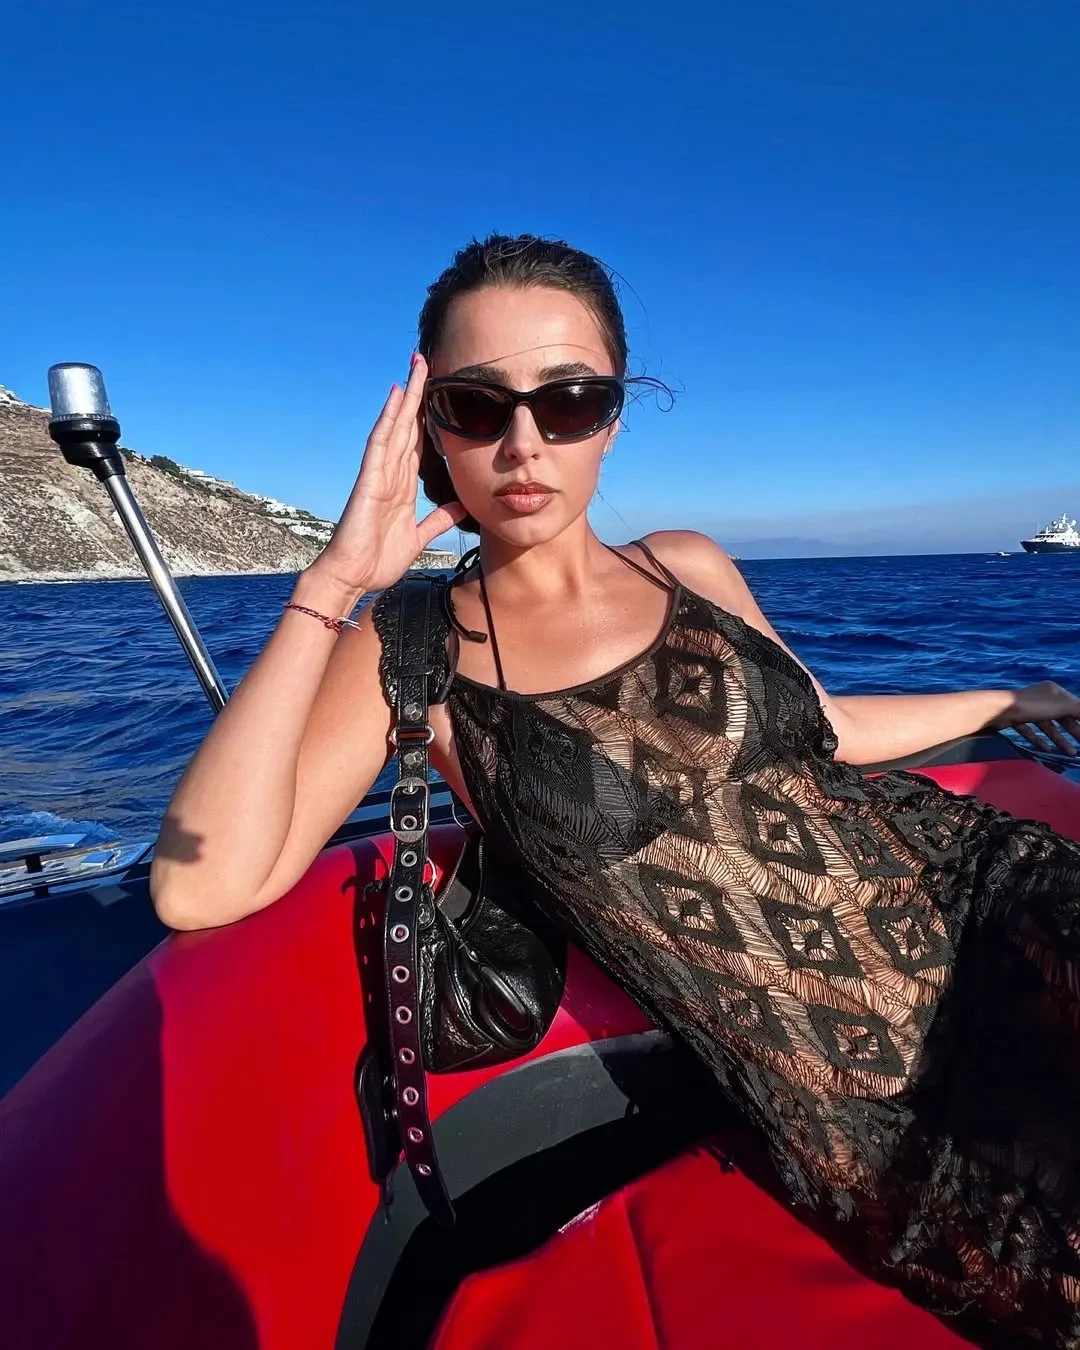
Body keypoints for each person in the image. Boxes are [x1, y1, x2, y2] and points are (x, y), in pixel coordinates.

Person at [151, 233, 1080, 1346]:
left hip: (979, 907)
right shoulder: (411, 649)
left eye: (569, 400)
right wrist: (337, 579)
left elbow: (824, 731)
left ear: (614, 418)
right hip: (848, 1084)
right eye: (478, 406)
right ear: (430, 426)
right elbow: (202, 884)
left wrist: (1012, 697)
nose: (524, 443)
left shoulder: (684, 564)